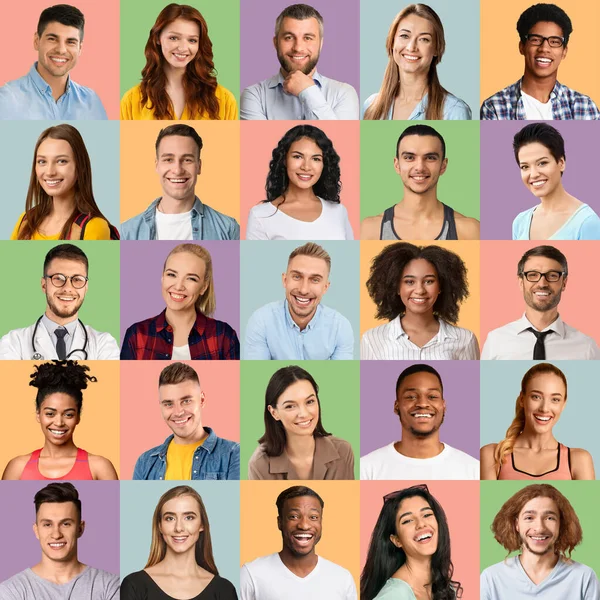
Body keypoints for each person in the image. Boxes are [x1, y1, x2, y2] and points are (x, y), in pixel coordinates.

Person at [361, 243, 479, 360]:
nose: (420, 290)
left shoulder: (465, 340)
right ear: (396, 287)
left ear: (440, 286)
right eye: (410, 282)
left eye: (429, 281)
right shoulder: (372, 340)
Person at [2, 361, 118, 481]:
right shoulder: (17, 468)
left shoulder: (100, 467)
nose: (59, 422)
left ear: (78, 416)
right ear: (38, 414)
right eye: (50, 414)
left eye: (68, 414)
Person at [0, 244, 119, 360]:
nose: (67, 288)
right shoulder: (13, 342)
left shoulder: (104, 344)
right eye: (58, 278)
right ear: (44, 284)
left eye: (77, 279)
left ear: (86, 287)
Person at [481, 3, 600, 120]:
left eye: (554, 41)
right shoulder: (495, 107)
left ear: (564, 51)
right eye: (536, 40)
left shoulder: (584, 107)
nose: (544, 48)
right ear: (522, 46)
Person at [0, 482, 119, 599]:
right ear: (36, 530)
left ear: (80, 528)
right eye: (47, 524)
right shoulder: (11, 591)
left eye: (66, 524)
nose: (56, 535)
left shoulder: (110, 586)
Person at [240, 3, 359, 120]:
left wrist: (308, 91)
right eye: (289, 38)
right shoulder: (254, 96)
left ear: (320, 44)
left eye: (308, 38)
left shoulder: (344, 94)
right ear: (276, 43)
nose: (298, 48)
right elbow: (258, 140)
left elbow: (340, 139)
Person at [121, 244, 240, 360]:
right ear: (162, 278)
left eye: (191, 278)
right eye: (172, 275)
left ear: (203, 287)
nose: (178, 287)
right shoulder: (137, 334)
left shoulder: (224, 336)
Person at [480, 484, 600, 599]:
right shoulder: (492, 578)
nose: (540, 528)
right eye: (529, 518)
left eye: (549, 518)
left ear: (561, 524)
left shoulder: (584, 577)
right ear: (516, 524)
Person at [121, 124, 240, 240]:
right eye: (168, 159)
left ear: (199, 166)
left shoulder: (228, 229)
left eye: (187, 160)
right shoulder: (127, 232)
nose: (177, 170)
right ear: (157, 166)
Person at [360, 125, 480, 240]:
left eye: (430, 158)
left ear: (443, 166)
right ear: (397, 165)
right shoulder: (371, 229)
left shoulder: (470, 230)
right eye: (409, 157)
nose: (420, 167)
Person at [361, 364, 479, 480]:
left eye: (432, 396)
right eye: (411, 396)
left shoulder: (473, 469)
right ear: (396, 406)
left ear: (444, 406)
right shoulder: (366, 468)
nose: (422, 403)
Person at [120, 3, 237, 120]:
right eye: (174, 38)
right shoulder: (131, 100)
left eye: (192, 40)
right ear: (157, 38)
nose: (183, 48)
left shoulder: (224, 100)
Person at [481, 245, 600, 360]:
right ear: (521, 282)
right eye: (533, 275)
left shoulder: (587, 348)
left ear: (564, 282)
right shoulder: (496, 341)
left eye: (552, 275)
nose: (542, 284)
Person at [480, 363, 594, 480]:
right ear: (522, 399)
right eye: (536, 397)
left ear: (563, 404)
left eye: (555, 399)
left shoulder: (579, 460)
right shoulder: (492, 455)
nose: (544, 408)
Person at [240, 485, 357, 599]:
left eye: (313, 517)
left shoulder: (342, 578)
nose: (304, 525)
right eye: (294, 516)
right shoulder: (252, 574)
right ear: (280, 522)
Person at [121, 486, 238, 599]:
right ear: (160, 526)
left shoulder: (224, 589)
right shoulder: (134, 585)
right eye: (170, 518)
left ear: (202, 524)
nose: (178, 528)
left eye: (189, 517)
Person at [244, 243, 354, 360]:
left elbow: (339, 377)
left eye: (315, 280)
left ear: (325, 287)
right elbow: (258, 376)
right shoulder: (261, 321)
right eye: (297, 277)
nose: (303, 290)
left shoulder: (340, 328)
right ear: (285, 280)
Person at [363, 4, 471, 120]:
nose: (411, 47)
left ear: (437, 48)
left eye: (424, 39)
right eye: (404, 36)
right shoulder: (370, 106)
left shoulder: (454, 111)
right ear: (392, 42)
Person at [132, 362, 239, 480]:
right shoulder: (144, 463)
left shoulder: (232, 454)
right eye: (168, 404)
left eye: (186, 401)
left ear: (202, 400)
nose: (178, 412)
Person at [246, 125, 353, 240]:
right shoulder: (261, 215)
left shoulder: (339, 212)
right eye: (297, 157)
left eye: (316, 159)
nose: (306, 167)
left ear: (324, 165)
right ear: (284, 160)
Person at [0, 4, 107, 120]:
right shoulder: (6, 100)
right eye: (52, 39)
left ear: (80, 48)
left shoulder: (92, 103)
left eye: (70, 42)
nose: (61, 50)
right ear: (37, 41)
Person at [248, 366, 354, 480]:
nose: (304, 414)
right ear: (274, 413)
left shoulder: (343, 451)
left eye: (309, 402)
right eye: (290, 406)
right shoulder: (259, 464)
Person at [11, 124, 114, 240]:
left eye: (61, 161)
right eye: (42, 161)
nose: (50, 172)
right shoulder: (25, 221)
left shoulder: (94, 227)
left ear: (80, 166)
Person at [360, 484, 462, 600]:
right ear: (396, 540)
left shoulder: (445, 588)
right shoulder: (393, 595)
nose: (421, 524)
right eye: (407, 520)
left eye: (427, 514)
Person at [512, 122, 600, 240]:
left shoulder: (587, 222)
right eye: (525, 167)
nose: (533, 174)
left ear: (561, 163)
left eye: (542, 163)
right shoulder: (520, 222)